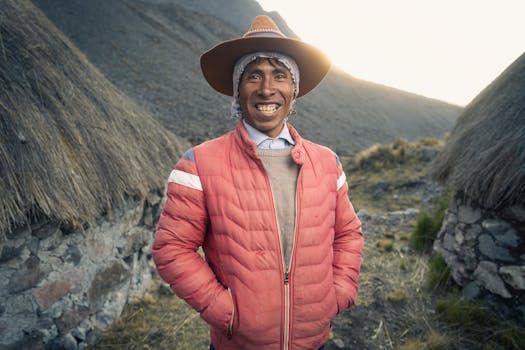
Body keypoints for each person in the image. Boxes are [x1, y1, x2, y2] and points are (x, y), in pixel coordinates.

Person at [152, 15, 363, 350]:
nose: (267, 89)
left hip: (313, 342)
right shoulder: (199, 164)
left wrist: (338, 293)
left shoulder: (327, 163)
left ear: (294, 90)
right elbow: (171, 249)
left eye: (280, 76)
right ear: (238, 90)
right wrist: (229, 313)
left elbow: (348, 233)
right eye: (254, 76)